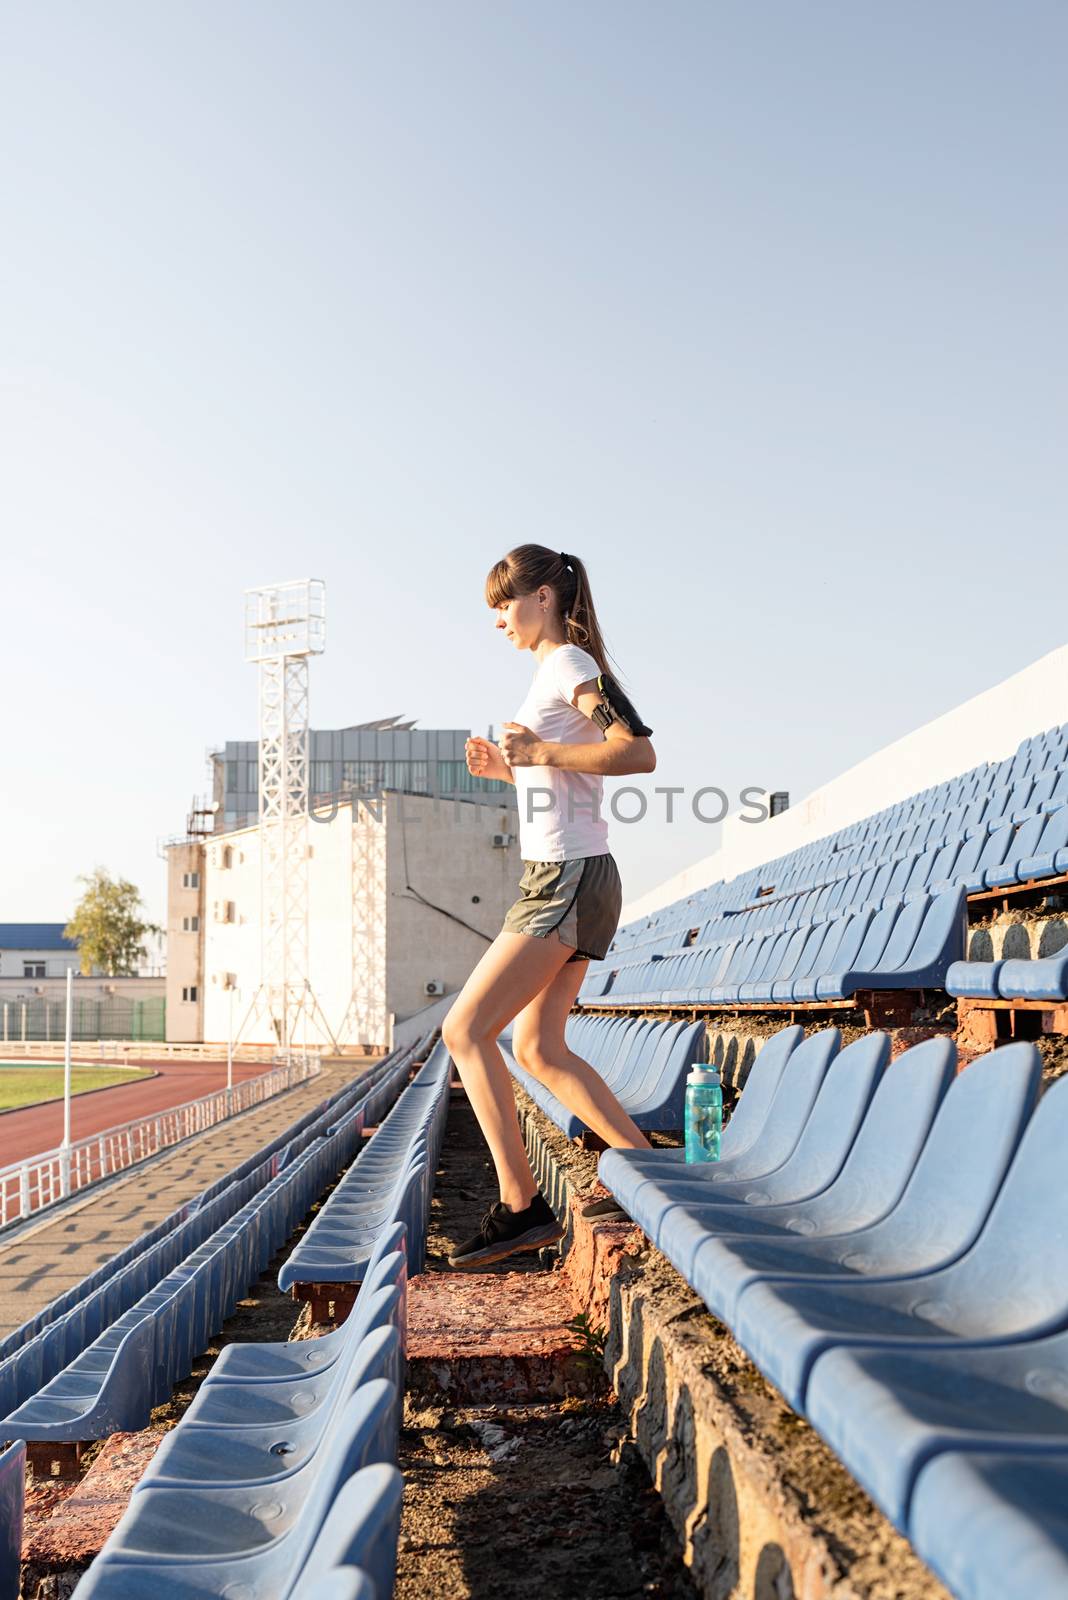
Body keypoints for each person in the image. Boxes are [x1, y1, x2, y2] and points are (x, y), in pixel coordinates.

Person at [442, 544, 656, 1269]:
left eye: (505, 603)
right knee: (538, 1048)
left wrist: (539, 755)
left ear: (542, 597)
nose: (498, 619)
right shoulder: (553, 676)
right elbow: (566, 776)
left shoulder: (570, 665)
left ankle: (519, 1207)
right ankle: (657, 1180)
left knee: (466, 1031)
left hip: (565, 877)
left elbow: (637, 753)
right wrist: (513, 768)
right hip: (575, 870)